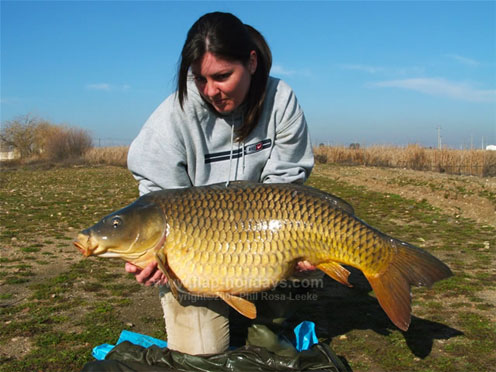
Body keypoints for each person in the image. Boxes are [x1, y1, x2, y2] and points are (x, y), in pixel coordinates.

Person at [126, 11, 315, 355]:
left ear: (252, 63)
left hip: (262, 239)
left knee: (272, 341)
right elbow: (158, 200)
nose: (210, 91)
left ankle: (268, 320)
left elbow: (287, 187)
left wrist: (298, 245)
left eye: (222, 76)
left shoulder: (281, 101)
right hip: (196, 253)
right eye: (200, 79)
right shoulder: (173, 117)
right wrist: (153, 255)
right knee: (202, 353)